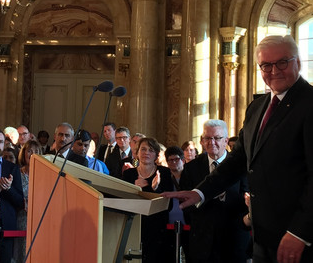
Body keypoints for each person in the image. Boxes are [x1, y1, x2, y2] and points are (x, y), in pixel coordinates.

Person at [165, 35, 313, 263]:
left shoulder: (309, 102)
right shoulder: (257, 108)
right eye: (266, 65)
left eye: (282, 62)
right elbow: (236, 161)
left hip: (297, 239)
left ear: (298, 62)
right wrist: (200, 192)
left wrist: (300, 233)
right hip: (263, 236)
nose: (274, 70)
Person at [179, 119, 250, 263]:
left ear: (226, 141)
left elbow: (246, 201)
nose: (212, 142)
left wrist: (225, 197)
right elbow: (185, 205)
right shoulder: (191, 168)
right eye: (207, 138)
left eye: (217, 138)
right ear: (202, 141)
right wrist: (204, 197)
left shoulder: (242, 165)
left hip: (233, 240)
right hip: (201, 242)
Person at [122, 137, 173, 262]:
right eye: (143, 149)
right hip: (135, 224)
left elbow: (169, 205)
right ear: (137, 152)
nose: (146, 153)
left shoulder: (164, 173)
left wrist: (156, 189)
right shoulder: (129, 174)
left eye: (150, 150)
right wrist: (135, 188)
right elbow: (123, 201)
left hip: (157, 227)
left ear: (156, 154)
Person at [0, 129, 24, 263]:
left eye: (0, 142)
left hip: (5, 226)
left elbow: (20, 201)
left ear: (4, 144)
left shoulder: (12, 168)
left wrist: (8, 189)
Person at [13, 140, 41, 263]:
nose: (32, 154)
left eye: (36, 151)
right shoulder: (17, 173)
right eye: (29, 151)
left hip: (39, 218)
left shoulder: (44, 174)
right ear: (24, 153)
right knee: (21, 252)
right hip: (22, 218)